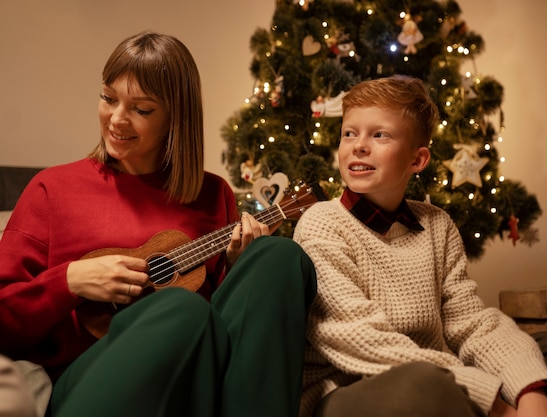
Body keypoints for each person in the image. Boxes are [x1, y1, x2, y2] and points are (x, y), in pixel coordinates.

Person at [0, 31, 316, 417]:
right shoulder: (53, 189)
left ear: (175, 117)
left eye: (141, 109)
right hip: (89, 381)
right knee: (181, 310)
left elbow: (228, 328)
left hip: (194, 383)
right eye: (108, 98)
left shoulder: (212, 194)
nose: (116, 119)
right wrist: (69, 281)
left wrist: (237, 266)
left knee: (280, 255)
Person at [292, 75, 547, 417]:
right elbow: (359, 340)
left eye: (379, 134)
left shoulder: (435, 223)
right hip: (350, 387)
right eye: (349, 133)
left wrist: (530, 390)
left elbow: (469, 321)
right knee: (425, 386)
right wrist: (497, 405)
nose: (358, 145)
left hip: (438, 370)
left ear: (417, 160)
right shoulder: (322, 222)